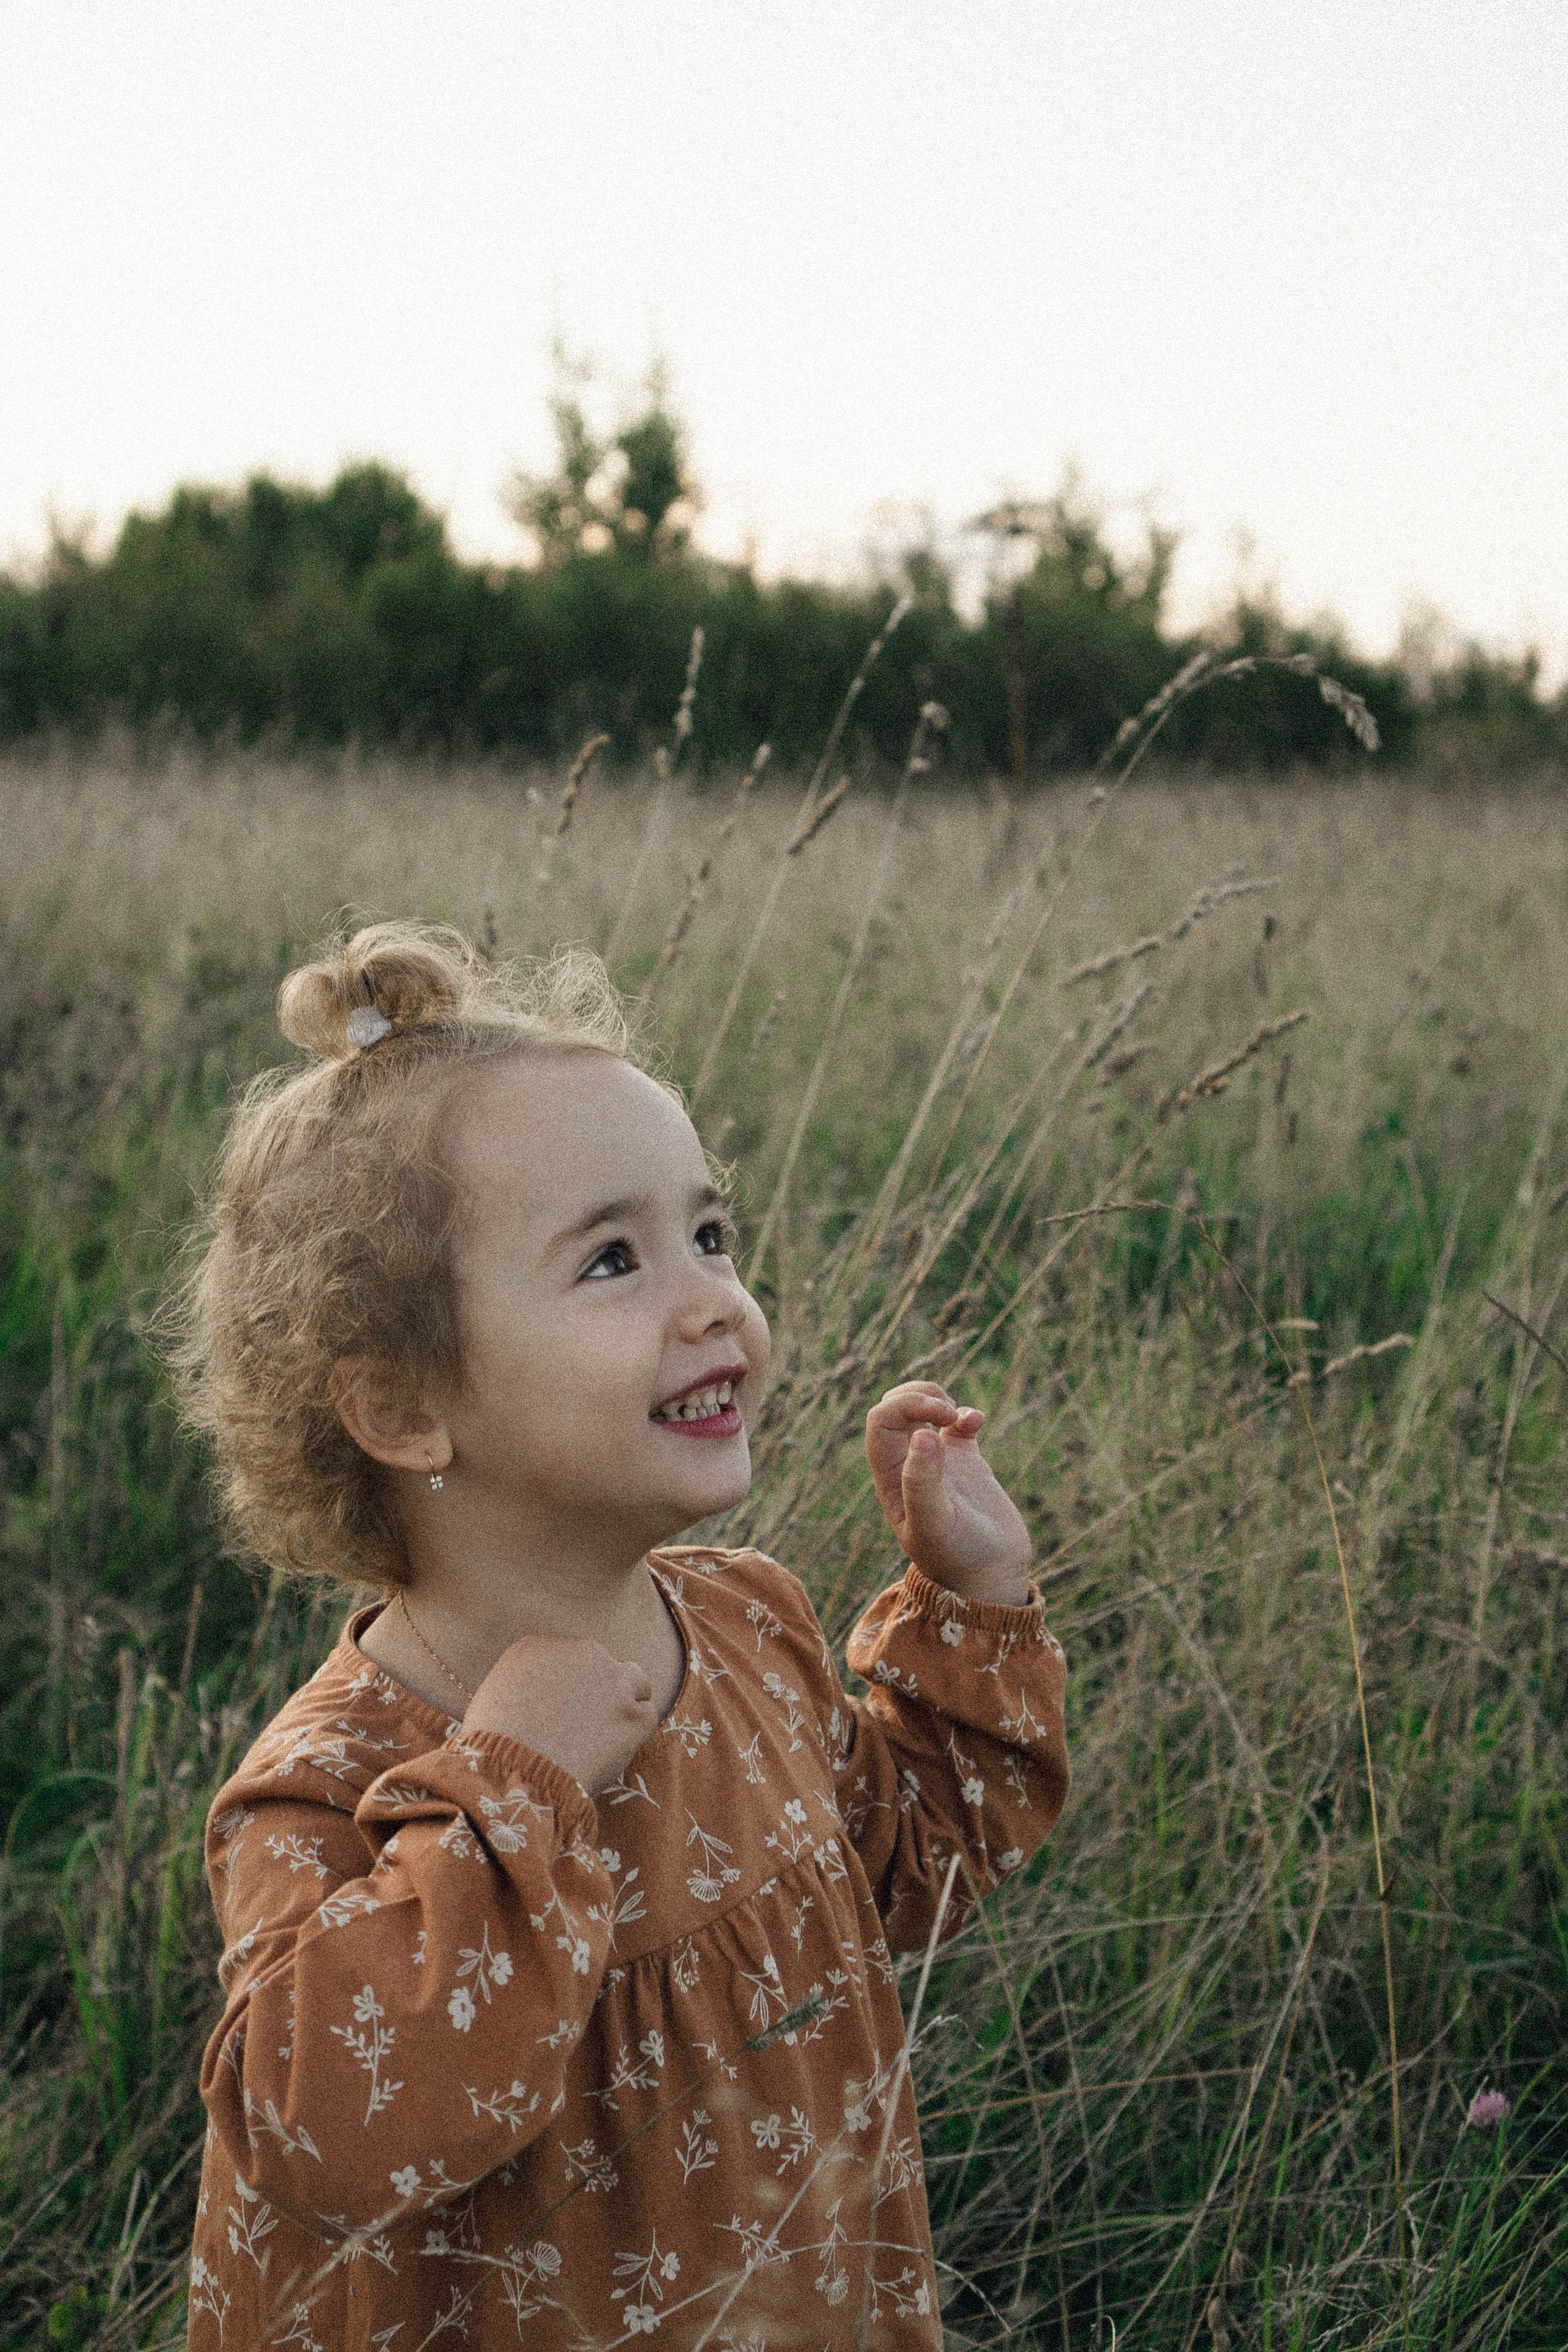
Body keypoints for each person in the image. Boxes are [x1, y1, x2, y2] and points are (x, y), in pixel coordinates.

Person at [172, 919, 1070, 2349]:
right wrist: (507, 1791)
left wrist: (973, 1604)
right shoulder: (331, 1785)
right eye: (610, 1261)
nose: (714, 1300)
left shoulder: (748, 1625)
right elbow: (326, 2137)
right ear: (403, 1407)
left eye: (708, 1235)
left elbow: (909, 1873)